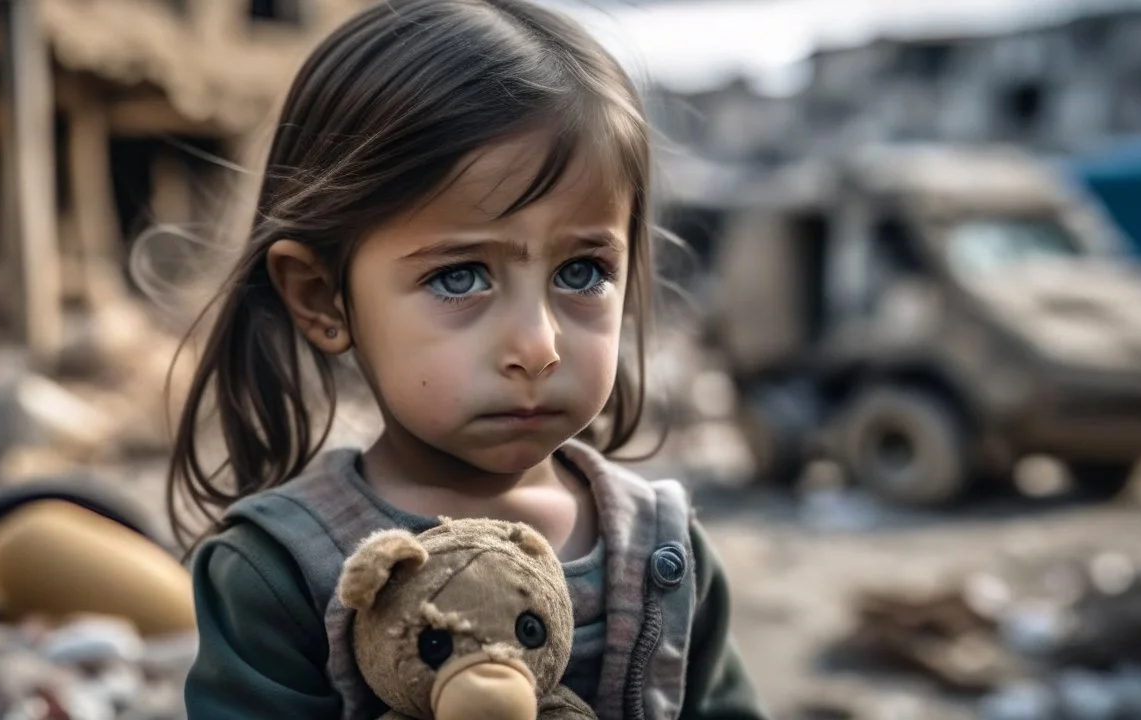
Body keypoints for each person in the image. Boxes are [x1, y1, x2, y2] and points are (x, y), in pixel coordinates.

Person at [168, 0, 768, 717]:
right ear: (323, 299)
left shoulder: (666, 554)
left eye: (582, 272)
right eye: (460, 277)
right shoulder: (276, 576)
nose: (539, 347)